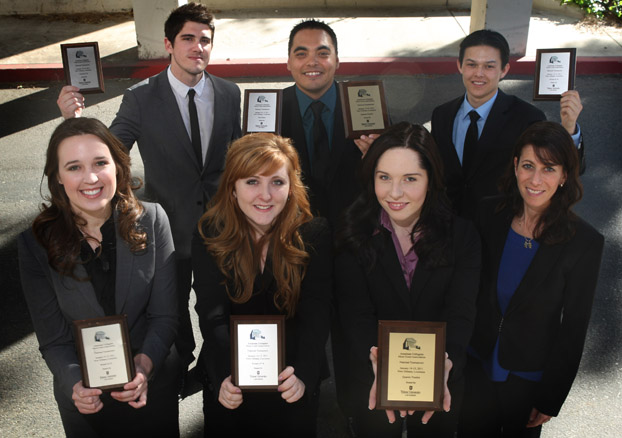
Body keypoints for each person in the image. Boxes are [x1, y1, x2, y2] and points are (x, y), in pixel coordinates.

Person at [56, 2, 242, 373]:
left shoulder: (229, 93)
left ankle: (216, 373)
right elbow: (110, 153)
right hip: (170, 229)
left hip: (221, 229)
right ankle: (178, 376)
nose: (197, 47)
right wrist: (74, 122)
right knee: (171, 316)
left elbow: (239, 156)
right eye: (187, 39)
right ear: (168, 44)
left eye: (205, 40)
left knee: (223, 312)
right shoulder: (141, 98)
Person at [18, 117, 180, 437]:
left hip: (149, 389)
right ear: (58, 177)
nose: (90, 177)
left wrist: (144, 369)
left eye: (100, 162)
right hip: (85, 403)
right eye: (74, 167)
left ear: (117, 167)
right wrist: (75, 384)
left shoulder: (154, 220)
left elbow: (165, 316)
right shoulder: (35, 243)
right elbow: (53, 338)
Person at [335, 122, 481, 437]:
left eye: (410, 179)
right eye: (384, 177)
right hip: (372, 377)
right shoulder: (352, 234)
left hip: (441, 380)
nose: (395, 193)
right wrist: (383, 371)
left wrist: (444, 367)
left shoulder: (463, 236)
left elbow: (462, 312)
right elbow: (356, 315)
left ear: (431, 180)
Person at [458, 121, 604, 437]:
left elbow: (574, 326)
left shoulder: (585, 243)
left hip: (527, 379)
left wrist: (551, 397)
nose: (535, 179)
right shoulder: (488, 214)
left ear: (565, 175)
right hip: (475, 366)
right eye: (528, 166)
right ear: (515, 166)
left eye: (549, 169)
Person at [191, 133, 332, 437]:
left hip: (291, 378)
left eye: (277, 182)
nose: (265, 195)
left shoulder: (314, 233)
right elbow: (211, 312)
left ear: (291, 187)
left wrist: (303, 374)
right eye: (252, 182)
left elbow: (317, 313)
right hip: (230, 375)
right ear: (232, 188)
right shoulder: (209, 234)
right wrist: (225, 376)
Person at [430, 29, 585, 219]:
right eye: (471, 64)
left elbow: (562, 167)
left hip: (500, 222)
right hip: (448, 222)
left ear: (504, 70)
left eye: (489, 66)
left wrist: (568, 129)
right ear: (460, 66)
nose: (478, 74)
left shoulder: (527, 117)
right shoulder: (441, 115)